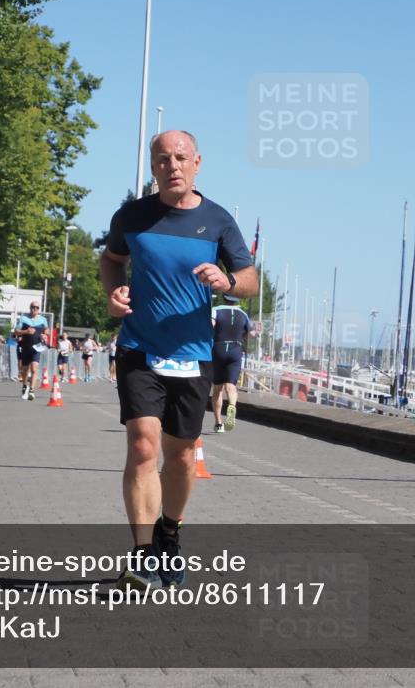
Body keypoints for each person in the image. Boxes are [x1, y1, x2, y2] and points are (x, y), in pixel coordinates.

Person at [101, 129, 258, 590]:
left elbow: (250, 280)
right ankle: (143, 553)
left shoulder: (218, 220)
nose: (172, 165)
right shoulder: (132, 216)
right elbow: (111, 260)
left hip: (192, 355)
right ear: (153, 166)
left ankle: (170, 533)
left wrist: (227, 282)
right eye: (163, 159)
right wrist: (113, 293)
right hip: (139, 347)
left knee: (184, 456)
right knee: (143, 447)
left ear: (197, 163)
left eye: (181, 158)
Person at [210, 293, 253, 433]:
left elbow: (211, 325)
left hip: (218, 348)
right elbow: (251, 333)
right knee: (230, 386)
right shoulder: (243, 314)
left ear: (224, 298)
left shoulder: (216, 310)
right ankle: (232, 405)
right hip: (236, 349)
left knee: (217, 389)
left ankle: (219, 424)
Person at [13, 301, 49, 401]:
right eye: (33, 307)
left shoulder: (43, 320)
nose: (35, 309)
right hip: (26, 347)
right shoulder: (24, 318)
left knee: (34, 368)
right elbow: (16, 331)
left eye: (37, 307)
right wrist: (26, 331)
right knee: (25, 370)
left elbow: (47, 331)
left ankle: (32, 390)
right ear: (30, 308)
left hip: (37, 347)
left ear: (39, 309)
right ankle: (25, 385)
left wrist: (44, 335)